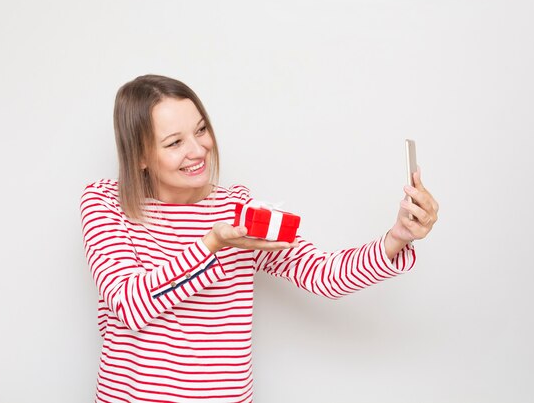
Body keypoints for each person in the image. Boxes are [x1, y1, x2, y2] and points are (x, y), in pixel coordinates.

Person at [80, 75, 439, 403]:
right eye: (174, 142)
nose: (198, 150)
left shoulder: (238, 210)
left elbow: (323, 275)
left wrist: (396, 238)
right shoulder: (105, 204)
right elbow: (130, 304)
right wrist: (212, 245)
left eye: (201, 130)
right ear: (140, 155)